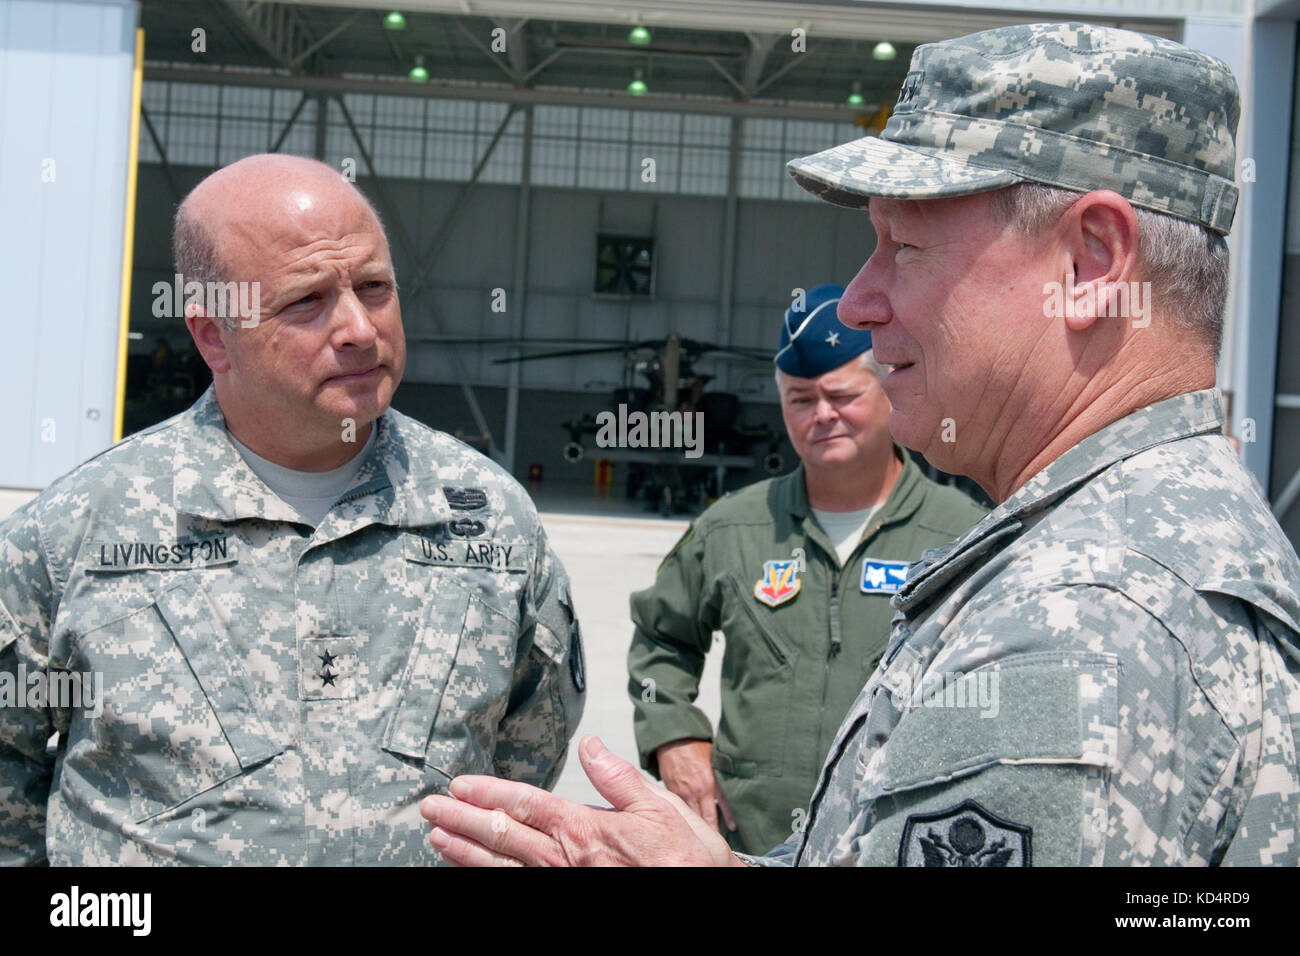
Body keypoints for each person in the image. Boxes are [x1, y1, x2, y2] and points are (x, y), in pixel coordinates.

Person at [419, 22, 1300, 867]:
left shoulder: (1083, 622)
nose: (858, 303)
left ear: (1091, 263)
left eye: (904, 246)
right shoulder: (1140, 540)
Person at [0, 154, 585, 865]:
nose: (360, 331)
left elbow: (527, 754)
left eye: (375, 288)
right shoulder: (73, 535)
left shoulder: (488, 519)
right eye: (306, 301)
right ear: (214, 335)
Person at [628, 283, 986, 853]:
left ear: (886, 388)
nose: (822, 415)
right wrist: (671, 737)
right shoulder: (733, 528)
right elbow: (660, 640)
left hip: (897, 843)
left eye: (842, 395)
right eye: (800, 399)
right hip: (743, 847)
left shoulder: (962, 536)